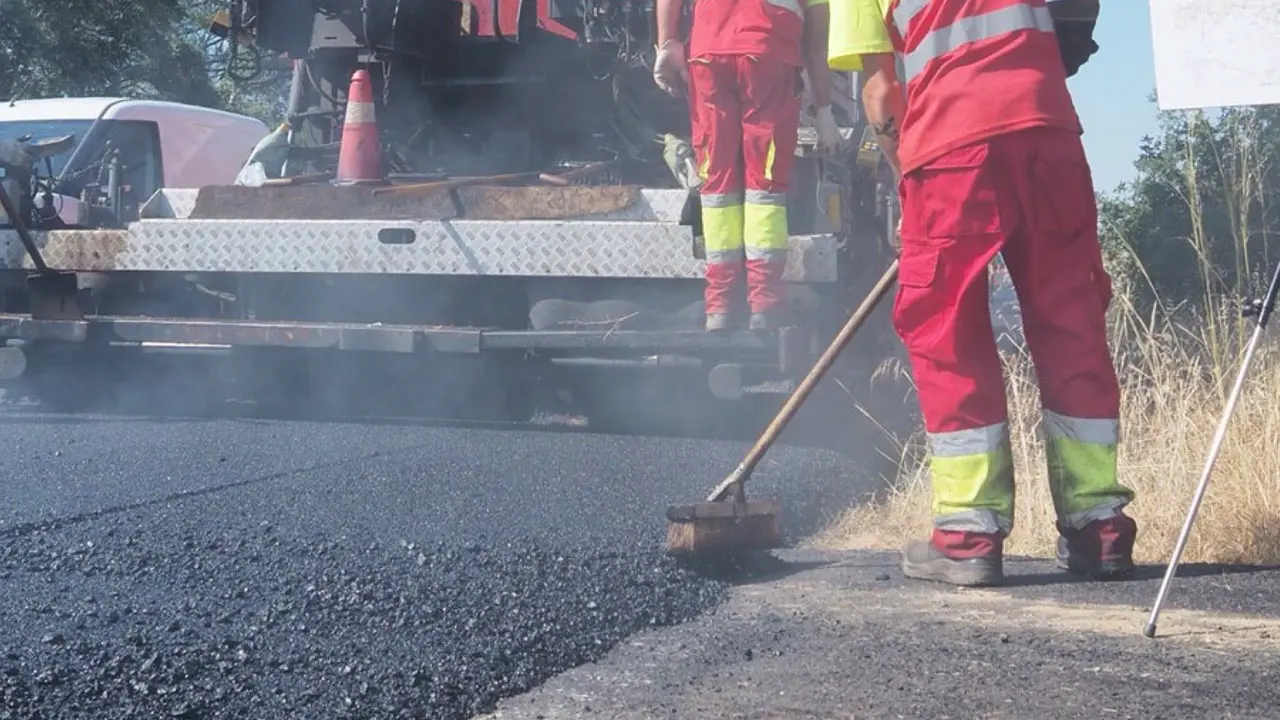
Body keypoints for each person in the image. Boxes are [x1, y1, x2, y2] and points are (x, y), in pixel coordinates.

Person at [832, 0, 1136, 587]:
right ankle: (1098, 525)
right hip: (1047, 130)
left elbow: (879, 92)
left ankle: (968, 535)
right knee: (1071, 323)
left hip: (950, 147)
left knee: (948, 331)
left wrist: (907, 181)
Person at [652, 0, 843, 331]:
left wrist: (668, 41)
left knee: (717, 188)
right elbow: (816, 42)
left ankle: (719, 307)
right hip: (768, 53)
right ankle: (765, 304)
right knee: (765, 187)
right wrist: (824, 109)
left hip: (709, 51)